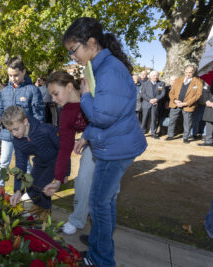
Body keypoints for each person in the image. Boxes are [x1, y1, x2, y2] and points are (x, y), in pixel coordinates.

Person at [51, 17, 147, 267]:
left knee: (99, 202)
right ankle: (99, 240)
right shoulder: (100, 67)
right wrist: (88, 136)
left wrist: (84, 97)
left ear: (91, 42)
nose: (73, 56)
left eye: (74, 50)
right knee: (106, 200)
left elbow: (102, 116)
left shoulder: (109, 70)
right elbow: (107, 115)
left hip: (115, 148)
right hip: (113, 142)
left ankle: (101, 258)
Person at [43, 71, 95, 235]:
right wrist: (58, 179)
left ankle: (101, 230)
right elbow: (64, 148)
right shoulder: (65, 113)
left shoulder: (91, 93)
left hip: (113, 145)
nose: (54, 99)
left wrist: (87, 136)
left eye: (56, 93)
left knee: (108, 192)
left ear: (70, 86)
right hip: (91, 147)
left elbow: (106, 119)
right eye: (51, 95)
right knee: (82, 182)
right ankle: (77, 220)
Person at [0, 56, 44, 188]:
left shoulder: (33, 90)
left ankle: (30, 190)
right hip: (6, 134)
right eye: (10, 75)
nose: (12, 78)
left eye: (16, 75)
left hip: (24, 135)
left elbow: (38, 115)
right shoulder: (4, 91)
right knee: (4, 162)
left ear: (24, 71)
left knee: (26, 164)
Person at [3, 106, 60, 220]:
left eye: (16, 129)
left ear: (25, 121)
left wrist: (64, 173)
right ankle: (38, 206)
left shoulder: (46, 130)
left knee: (41, 186)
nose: (14, 133)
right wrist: (18, 190)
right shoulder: (17, 141)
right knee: (30, 186)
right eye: (10, 130)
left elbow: (63, 150)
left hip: (55, 161)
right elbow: (20, 165)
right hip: (39, 162)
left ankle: (46, 210)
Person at [166, 65, 203, 143]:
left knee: (187, 122)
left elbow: (198, 95)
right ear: (184, 71)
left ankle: (185, 137)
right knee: (172, 120)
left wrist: (186, 103)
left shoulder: (198, 81)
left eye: (190, 72)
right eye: (186, 72)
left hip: (188, 105)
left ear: (193, 72)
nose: (188, 74)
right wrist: (175, 100)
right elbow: (171, 92)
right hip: (175, 104)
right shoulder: (178, 80)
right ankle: (170, 135)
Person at [140, 70, 165, 139]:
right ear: (150, 76)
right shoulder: (145, 84)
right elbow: (142, 94)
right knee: (144, 118)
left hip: (155, 104)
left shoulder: (161, 84)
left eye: (156, 75)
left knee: (154, 119)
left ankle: (153, 133)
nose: (155, 77)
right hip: (146, 104)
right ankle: (142, 132)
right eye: (154, 75)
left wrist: (156, 99)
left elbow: (162, 93)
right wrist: (150, 100)